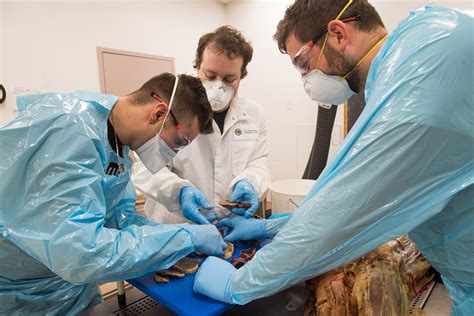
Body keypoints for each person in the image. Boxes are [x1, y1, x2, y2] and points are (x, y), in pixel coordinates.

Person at [193, 1, 474, 314]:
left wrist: (237, 284)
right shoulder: (423, 39)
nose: (306, 78)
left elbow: (338, 213)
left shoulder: (415, 87)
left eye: (302, 63)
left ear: (338, 34)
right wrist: (267, 229)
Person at [0, 73, 228, 314]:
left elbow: (119, 219)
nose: (175, 152)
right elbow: (81, 252)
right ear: (158, 113)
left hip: (69, 290)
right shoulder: (71, 131)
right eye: (180, 141)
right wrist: (184, 237)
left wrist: (174, 234)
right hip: (22, 296)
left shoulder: (116, 144)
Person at [133, 26, 271, 225]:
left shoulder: (254, 114)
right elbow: (146, 168)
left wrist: (250, 182)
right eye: (211, 75)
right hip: (179, 227)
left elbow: (259, 163)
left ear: (242, 76)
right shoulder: (169, 108)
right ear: (198, 67)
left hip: (230, 226)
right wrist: (178, 192)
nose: (218, 86)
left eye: (229, 79)